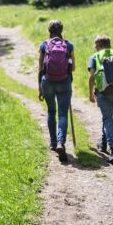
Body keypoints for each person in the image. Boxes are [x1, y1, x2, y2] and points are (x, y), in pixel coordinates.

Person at [87, 35, 113, 164]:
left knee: (107, 119)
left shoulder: (94, 57)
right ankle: (103, 143)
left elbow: (92, 77)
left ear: (97, 46)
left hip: (103, 92)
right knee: (107, 117)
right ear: (109, 45)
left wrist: (90, 93)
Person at [37, 20, 74, 161]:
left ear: (49, 31)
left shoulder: (44, 45)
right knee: (63, 114)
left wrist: (40, 87)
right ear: (61, 30)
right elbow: (73, 67)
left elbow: (41, 69)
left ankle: (53, 142)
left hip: (48, 82)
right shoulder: (68, 45)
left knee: (51, 111)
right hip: (64, 82)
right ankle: (61, 142)